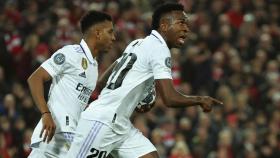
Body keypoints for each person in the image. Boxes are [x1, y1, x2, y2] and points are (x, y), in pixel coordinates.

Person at [67, 3, 223, 158]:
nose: (186, 28)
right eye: (181, 22)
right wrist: (201, 100)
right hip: (101, 122)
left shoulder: (137, 43)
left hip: (120, 124)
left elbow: (102, 82)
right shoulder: (159, 49)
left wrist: (137, 96)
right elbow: (169, 98)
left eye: (186, 24)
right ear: (164, 25)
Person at [27, 10, 116, 157]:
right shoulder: (71, 53)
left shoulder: (93, 65)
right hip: (54, 135)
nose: (113, 38)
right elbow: (35, 78)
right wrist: (45, 113)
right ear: (98, 33)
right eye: (110, 32)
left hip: (70, 136)